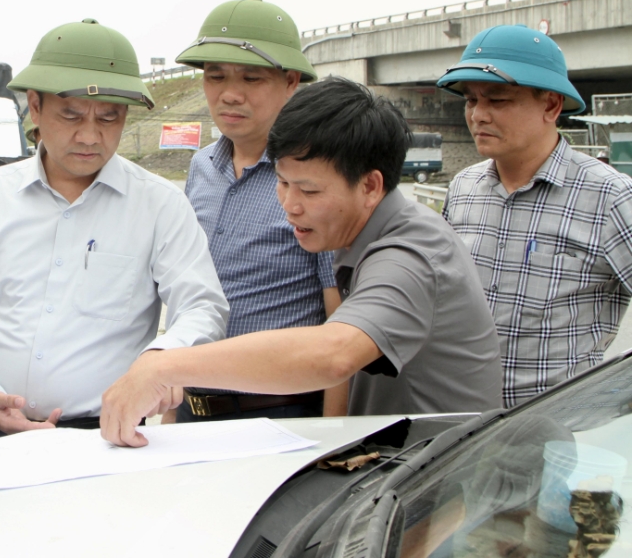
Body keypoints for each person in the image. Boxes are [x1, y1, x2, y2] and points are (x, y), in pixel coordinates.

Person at [101, 77, 502, 447]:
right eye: (282, 182)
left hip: (447, 475)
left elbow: (333, 354)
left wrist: (163, 367)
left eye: (309, 191)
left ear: (369, 186)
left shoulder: (411, 253)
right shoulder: (354, 233)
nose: (290, 205)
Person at [0, 18, 229, 446]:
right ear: (35, 107)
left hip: (106, 437)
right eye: (70, 114)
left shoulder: (160, 205)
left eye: (109, 118)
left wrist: (162, 360)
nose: (89, 135)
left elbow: (202, 306)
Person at [438, 25, 632, 408]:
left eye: (498, 100)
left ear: (551, 106)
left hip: (558, 426)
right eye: (471, 100)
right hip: (460, 423)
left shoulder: (610, 196)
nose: (478, 115)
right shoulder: (463, 189)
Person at [171, 0, 341, 423]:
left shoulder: (317, 177)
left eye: (251, 77)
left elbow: (339, 317)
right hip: (192, 409)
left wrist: (336, 433)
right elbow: (184, 288)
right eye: (215, 76)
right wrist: (172, 413)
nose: (230, 94)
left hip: (280, 413)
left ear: (290, 82)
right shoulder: (201, 167)